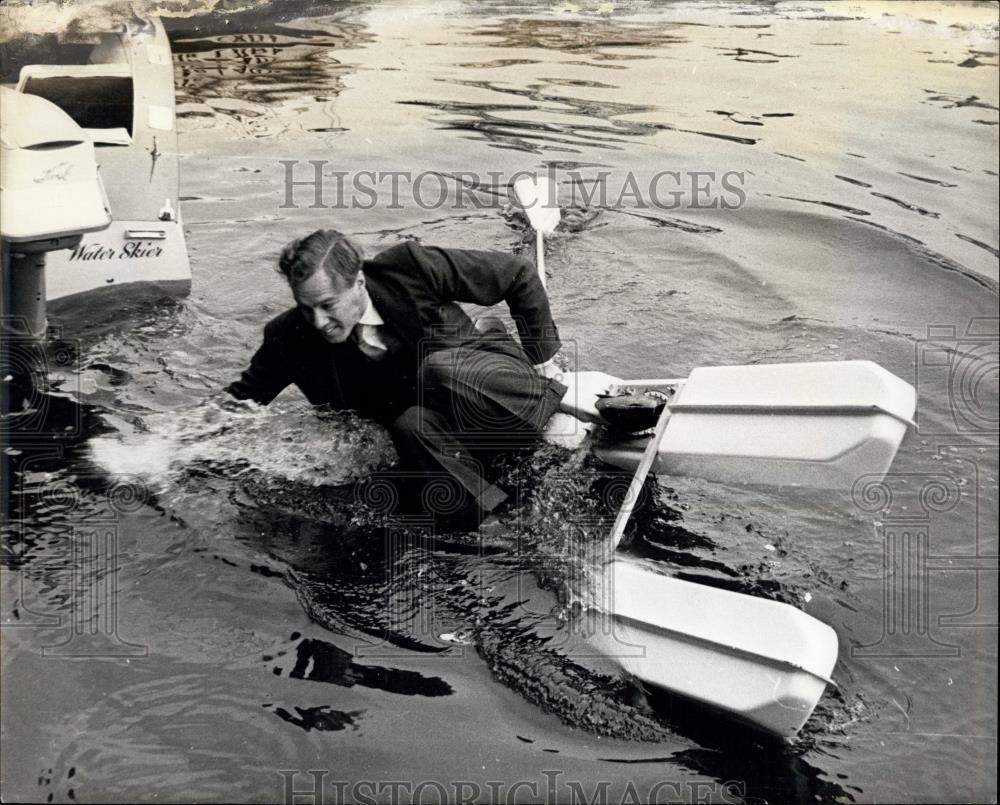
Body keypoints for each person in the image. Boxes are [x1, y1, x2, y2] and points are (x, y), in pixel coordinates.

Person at [226, 229, 569, 531]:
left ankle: (541, 409)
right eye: (306, 308)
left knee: (437, 371)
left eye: (328, 305)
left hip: (500, 393)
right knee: (408, 424)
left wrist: (545, 363)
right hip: (436, 441)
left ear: (358, 283)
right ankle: (488, 520)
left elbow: (517, 275)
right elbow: (240, 402)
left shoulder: (411, 267)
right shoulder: (287, 337)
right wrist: (179, 441)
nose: (318, 321)